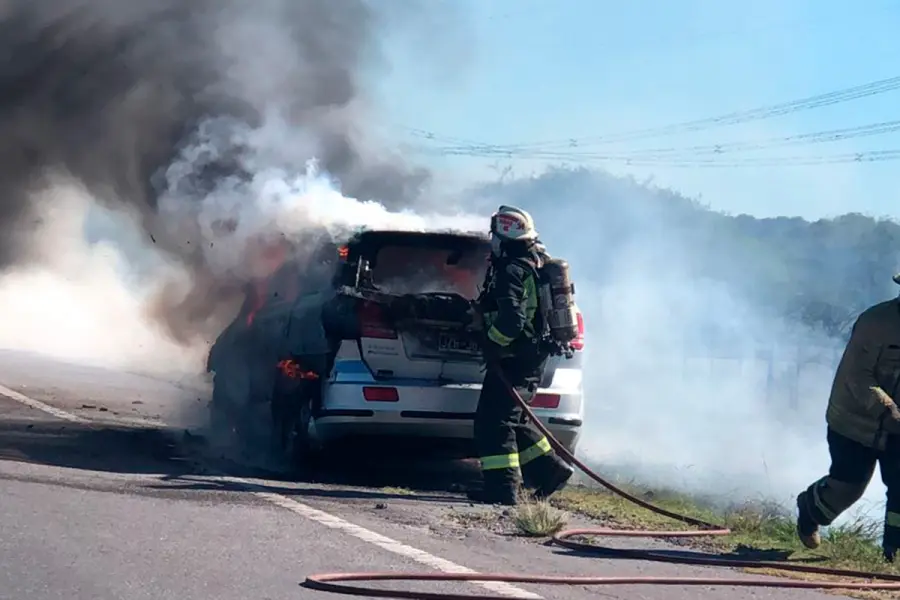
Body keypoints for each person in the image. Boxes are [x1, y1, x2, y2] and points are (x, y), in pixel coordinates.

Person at [467, 205, 575, 506]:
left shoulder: (511, 270)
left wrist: (492, 340)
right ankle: (551, 470)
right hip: (530, 355)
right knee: (512, 418)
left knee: (493, 424)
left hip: (516, 358)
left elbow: (512, 321)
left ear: (502, 238)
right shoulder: (532, 262)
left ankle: (502, 489)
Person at [796, 279, 900, 562]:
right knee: (848, 489)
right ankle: (810, 508)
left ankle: (893, 553)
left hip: (897, 429)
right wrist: (887, 409)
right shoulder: (876, 322)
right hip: (855, 422)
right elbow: (858, 376)